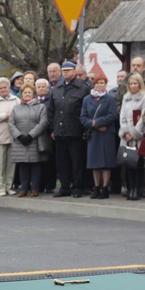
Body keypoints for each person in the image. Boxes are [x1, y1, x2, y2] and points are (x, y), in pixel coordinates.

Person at [48, 61, 91, 198]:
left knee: (77, 161)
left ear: (74, 71)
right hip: (60, 131)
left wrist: (85, 130)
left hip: (75, 131)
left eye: (68, 70)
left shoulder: (83, 88)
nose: (65, 73)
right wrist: (52, 129)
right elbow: (51, 111)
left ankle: (78, 187)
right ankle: (64, 187)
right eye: (63, 70)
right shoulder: (57, 88)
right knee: (62, 162)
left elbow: (86, 111)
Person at [80, 74, 118, 199]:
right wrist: (94, 124)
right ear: (94, 84)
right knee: (94, 163)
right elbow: (83, 117)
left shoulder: (111, 98)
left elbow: (112, 115)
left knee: (106, 162)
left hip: (107, 133)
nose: (100, 85)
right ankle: (96, 187)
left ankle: (105, 188)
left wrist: (99, 122)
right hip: (94, 133)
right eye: (97, 83)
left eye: (102, 83)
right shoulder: (87, 99)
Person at [8, 84, 48, 197]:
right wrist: (19, 136)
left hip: (34, 140)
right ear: (21, 94)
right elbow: (11, 124)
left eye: (29, 92)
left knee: (35, 165)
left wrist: (30, 136)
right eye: (25, 92)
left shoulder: (41, 107)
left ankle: (35, 189)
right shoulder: (16, 108)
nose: (27, 94)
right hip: (20, 141)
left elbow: (43, 123)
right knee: (23, 165)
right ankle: (24, 189)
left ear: (33, 94)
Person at [0, 77, 21, 196]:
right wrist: (4, 116)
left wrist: (11, 117)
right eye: (1, 88)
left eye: (5, 87)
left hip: (13, 135)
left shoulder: (16, 100)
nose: (3, 90)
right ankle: (1, 187)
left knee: (11, 163)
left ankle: (9, 186)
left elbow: (20, 115)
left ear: (9, 88)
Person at [118, 73, 145, 200]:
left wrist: (135, 133)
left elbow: (143, 117)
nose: (133, 86)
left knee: (138, 164)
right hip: (127, 136)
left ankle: (137, 189)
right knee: (129, 164)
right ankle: (130, 189)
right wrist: (125, 132)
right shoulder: (126, 98)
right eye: (131, 83)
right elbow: (122, 116)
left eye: (135, 83)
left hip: (138, 135)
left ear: (140, 84)